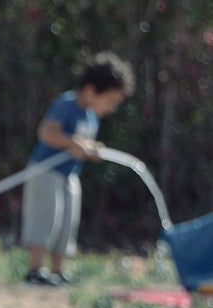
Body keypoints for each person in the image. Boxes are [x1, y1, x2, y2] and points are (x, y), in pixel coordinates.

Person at [21, 52, 133, 286]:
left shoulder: (92, 117)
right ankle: (35, 270)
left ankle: (58, 270)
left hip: (70, 174)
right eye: (110, 100)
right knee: (46, 217)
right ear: (92, 90)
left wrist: (91, 149)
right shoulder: (67, 104)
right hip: (45, 171)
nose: (111, 108)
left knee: (66, 220)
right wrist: (75, 142)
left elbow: (82, 143)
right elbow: (47, 132)